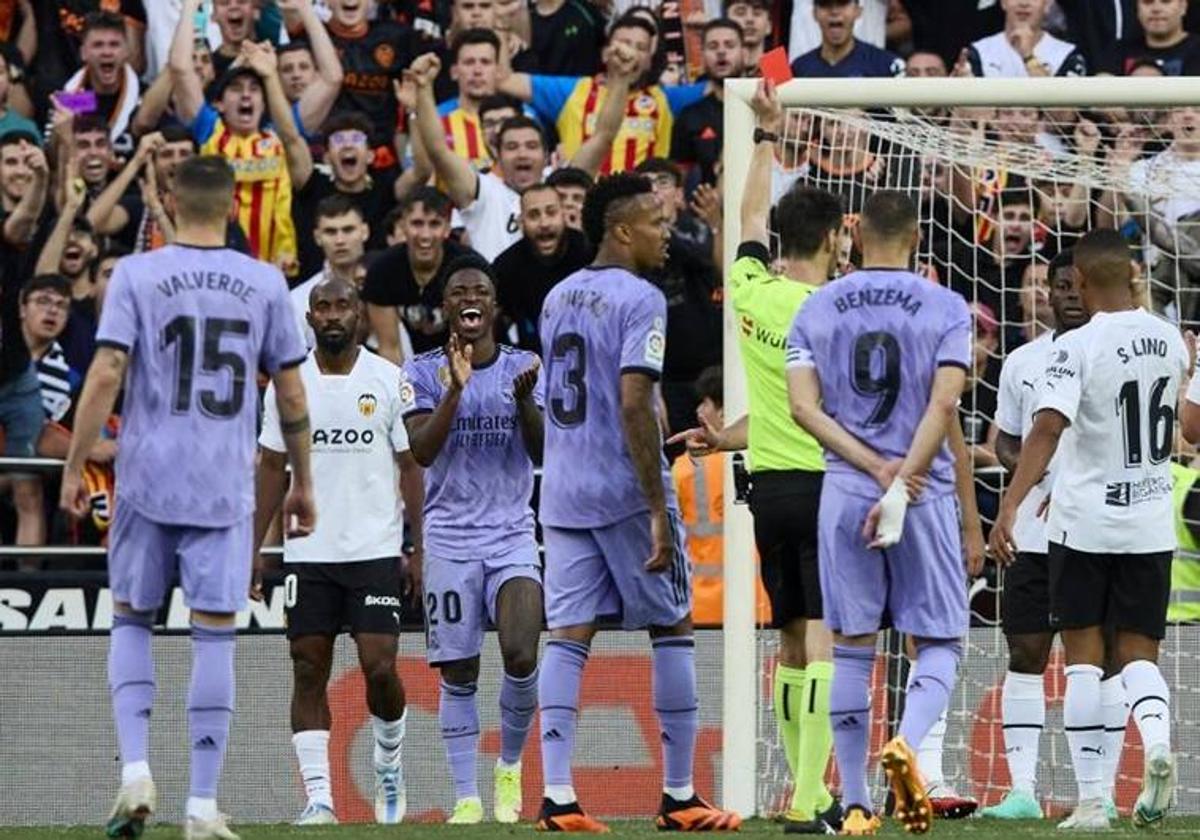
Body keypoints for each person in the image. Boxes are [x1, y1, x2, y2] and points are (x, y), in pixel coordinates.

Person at [59, 155, 314, 840]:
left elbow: (109, 369)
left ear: (170, 200)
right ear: (233, 207)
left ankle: (135, 769)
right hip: (222, 482)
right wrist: (304, 482)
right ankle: (202, 806)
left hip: (146, 474)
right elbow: (290, 392)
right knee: (214, 638)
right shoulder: (264, 282)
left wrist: (76, 463)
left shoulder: (139, 274)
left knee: (133, 621)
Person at [535, 171, 741, 832]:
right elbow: (631, 399)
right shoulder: (640, 297)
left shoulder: (558, 295)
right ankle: (679, 794)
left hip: (563, 491)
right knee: (671, 626)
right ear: (622, 230)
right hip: (623, 491)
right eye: (656, 221)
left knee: (568, 636)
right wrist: (657, 504)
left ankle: (558, 798)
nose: (667, 232)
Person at [673, 80, 840, 832]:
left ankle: (799, 791)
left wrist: (767, 136)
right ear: (834, 240)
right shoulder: (838, 309)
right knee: (828, 635)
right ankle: (811, 795)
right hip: (828, 484)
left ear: (781, 242)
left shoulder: (749, 288)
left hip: (767, 488)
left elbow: (744, 216)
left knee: (791, 638)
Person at [786, 190, 972, 836]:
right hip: (924, 494)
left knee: (852, 647)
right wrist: (905, 477)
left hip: (845, 489)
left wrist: (872, 469)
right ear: (918, 236)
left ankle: (858, 801)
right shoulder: (947, 306)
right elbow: (945, 404)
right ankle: (909, 744)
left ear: (854, 232)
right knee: (942, 638)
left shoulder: (816, 306)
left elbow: (802, 409)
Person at [993, 230, 1185, 831]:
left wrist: (1010, 505)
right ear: (1131, 276)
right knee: (1136, 659)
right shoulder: (1172, 341)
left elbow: (1046, 428)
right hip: (1151, 524)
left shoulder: (1075, 346)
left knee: (1082, 663)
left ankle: (1094, 800)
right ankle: (1155, 744)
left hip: (1085, 525)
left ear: (1076, 282)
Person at [254, 276, 422, 827]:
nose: (331, 315)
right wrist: (255, 547)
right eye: (321, 306)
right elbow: (271, 467)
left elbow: (411, 467)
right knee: (308, 667)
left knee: (379, 667)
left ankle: (389, 760)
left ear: (360, 316)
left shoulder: (390, 378)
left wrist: (415, 546)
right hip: (309, 552)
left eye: (342, 305)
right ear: (309, 317)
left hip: (374, 549)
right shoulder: (287, 385)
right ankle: (320, 799)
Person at [400, 254, 544, 825]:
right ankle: (466, 795)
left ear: (493, 306)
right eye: (458, 291)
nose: (469, 299)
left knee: (521, 651)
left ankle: (509, 769)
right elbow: (422, 451)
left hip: (511, 534)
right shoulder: (419, 372)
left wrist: (527, 402)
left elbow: (542, 454)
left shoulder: (524, 366)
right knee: (460, 670)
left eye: (479, 291)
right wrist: (456, 392)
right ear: (446, 309)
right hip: (450, 539)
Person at [978, 249, 1119, 822]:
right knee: (1026, 650)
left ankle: (1101, 790)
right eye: (1052, 285)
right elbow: (1007, 440)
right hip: (1036, 532)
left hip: (1097, 531)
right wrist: (1030, 475)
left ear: (1088, 290)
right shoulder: (1021, 362)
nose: (1062, 294)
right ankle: (1022, 791)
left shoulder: (1112, 352)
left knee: (1101, 659)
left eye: (1070, 285)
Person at [410, 48, 631, 261]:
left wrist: (620, 80)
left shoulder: (561, 186)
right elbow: (438, 150)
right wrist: (423, 87)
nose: (522, 153)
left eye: (531, 146)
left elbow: (604, 136)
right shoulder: (483, 191)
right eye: (512, 147)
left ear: (546, 155)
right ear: (497, 154)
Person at [171, 0, 312, 273]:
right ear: (220, 104)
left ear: (264, 101)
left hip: (274, 271)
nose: (246, 94)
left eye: (253, 89)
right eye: (236, 88)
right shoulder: (211, 130)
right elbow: (180, 68)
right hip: (219, 269)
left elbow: (293, 138)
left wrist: (270, 76)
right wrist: (190, 5)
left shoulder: (277, 140)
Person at [361, 186, 480, 363]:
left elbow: (475, 344)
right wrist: (403, 389)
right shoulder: (382, 271)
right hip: (413, 364)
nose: (425, 235)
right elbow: (389, 348)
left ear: (447, 227)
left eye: (434, 224)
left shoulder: (469, 269)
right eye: (417, 223)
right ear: (403, 226)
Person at [492, 183, 592, 352]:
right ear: (521, 222)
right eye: (533, 215)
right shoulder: (506, 266)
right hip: (534, 367)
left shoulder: (589, 252)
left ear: (563, 215)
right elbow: (491, 322)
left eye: (551, 212)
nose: (544, 223)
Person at [963, 0, 1088, 78]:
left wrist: (1028, 57)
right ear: (1003, 2)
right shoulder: (978, 51)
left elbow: (1065, 115)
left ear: (1048, 4)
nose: (1023, 3)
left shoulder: (1069, 55)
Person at [790, 0, 905, 78]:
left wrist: (866, 113)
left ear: (858, 11)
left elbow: (904, 112)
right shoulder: (799, 67)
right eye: (825, 5)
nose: (834, 12)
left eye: (842, 4)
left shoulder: (884, 64)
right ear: (814, 13)